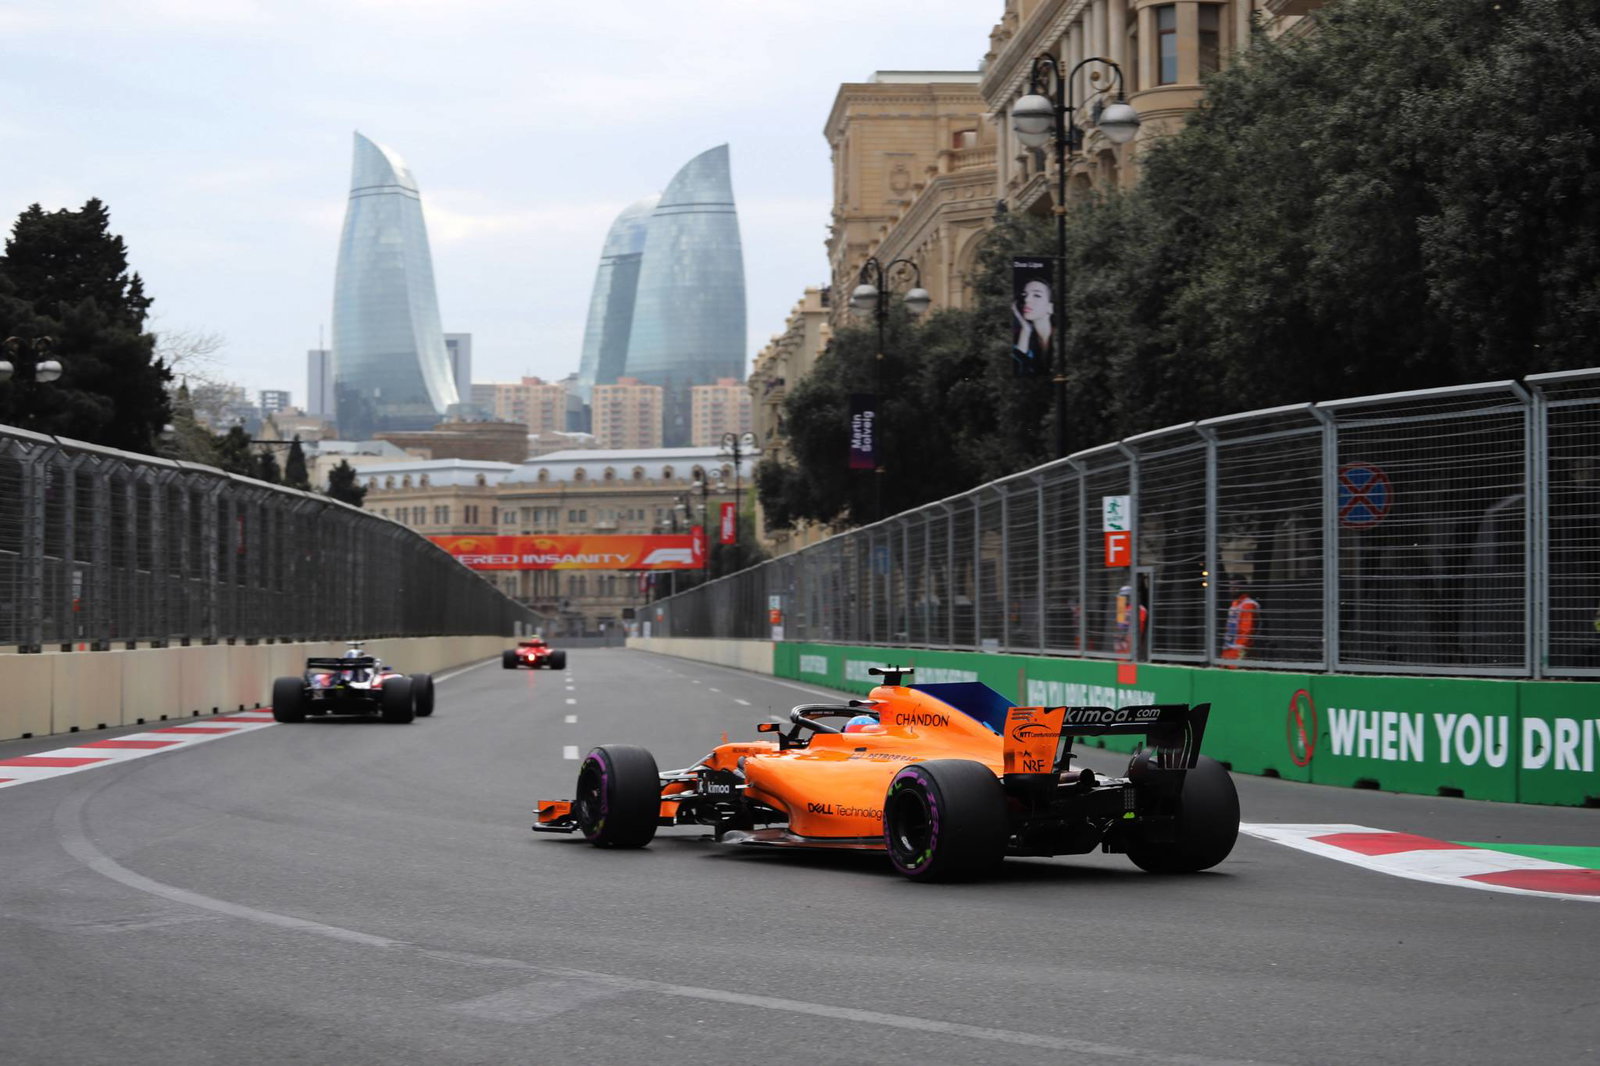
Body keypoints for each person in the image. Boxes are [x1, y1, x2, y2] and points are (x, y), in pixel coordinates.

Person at [1011, 277, 1053, 376]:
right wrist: (1025, 330)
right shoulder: (1024, 338)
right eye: (1025, 295)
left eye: (1037, 295)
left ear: (1051, 307)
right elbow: (1019, 372)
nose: (1027, 299)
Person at [1222, 579, 1260, 665]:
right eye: (1231, 586)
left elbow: (1247, 630)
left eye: (1236, 587)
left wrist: (1241, 649)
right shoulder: (1235, 603)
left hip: (1239, 649)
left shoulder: (1248, 604)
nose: (1232, 589)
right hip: (1229, 647)